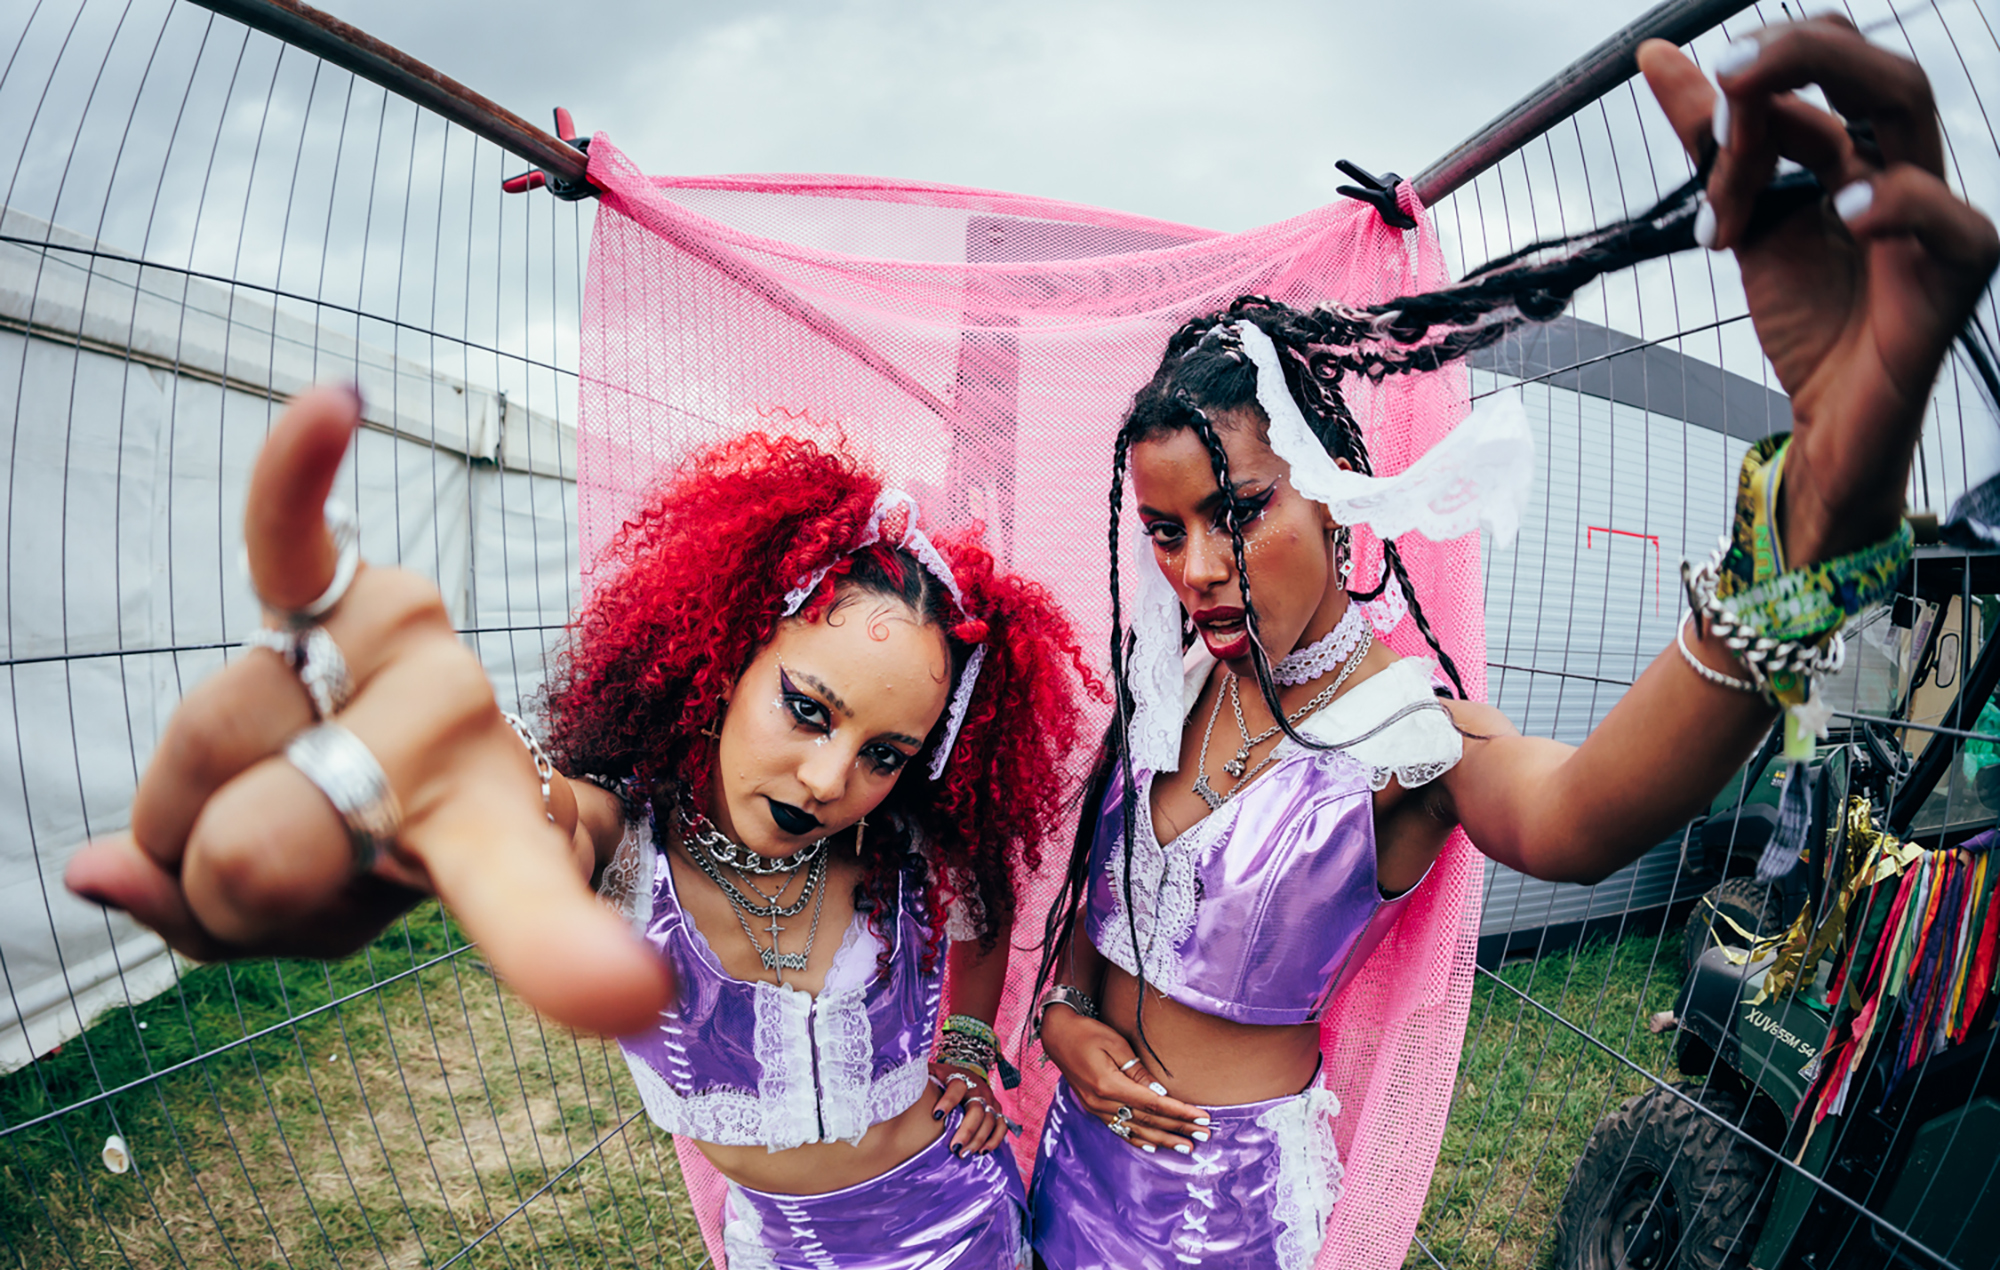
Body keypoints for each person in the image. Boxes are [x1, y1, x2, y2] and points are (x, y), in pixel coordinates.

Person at [1028, 19, 1999, 1269]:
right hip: (1067, 1168)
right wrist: (1061, 1023)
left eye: (1237, 510)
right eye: (1163, 531)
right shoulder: (1161, 693)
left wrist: (1800, 556)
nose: (1197, 568)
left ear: (1335, 496)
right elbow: (1085, 909)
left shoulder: (1403, 738)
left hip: (1222, 1232)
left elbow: (1582, 813)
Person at [66, 427, 1098, 1268]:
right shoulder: (627, 845)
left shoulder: (904, 845)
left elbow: (989, 907)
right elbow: (549, 820)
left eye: (883, 752)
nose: (830, 781)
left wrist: (965, 1041)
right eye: (805, 708)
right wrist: (468, 764)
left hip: (962, 1226)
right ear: (732, 654)